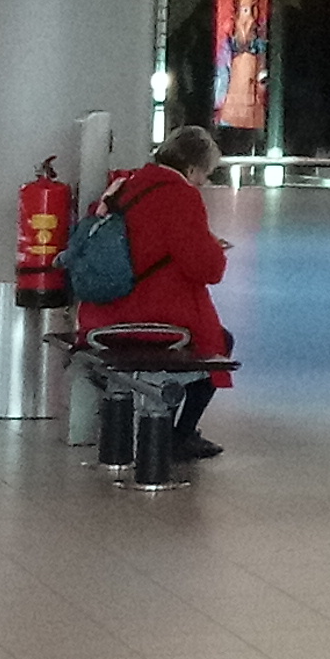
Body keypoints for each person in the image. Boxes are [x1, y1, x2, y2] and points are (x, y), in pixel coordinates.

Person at [82, 126, 236, 465]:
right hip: (149, 318)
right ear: (193, 169)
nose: (203, 184)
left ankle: (168, 435)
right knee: (218, 344)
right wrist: (215, 248)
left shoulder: (126, 185)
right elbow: (207, 269)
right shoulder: (181, 195)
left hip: (104, 313)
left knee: (212, 340)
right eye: (205, 176)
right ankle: (178, 436)